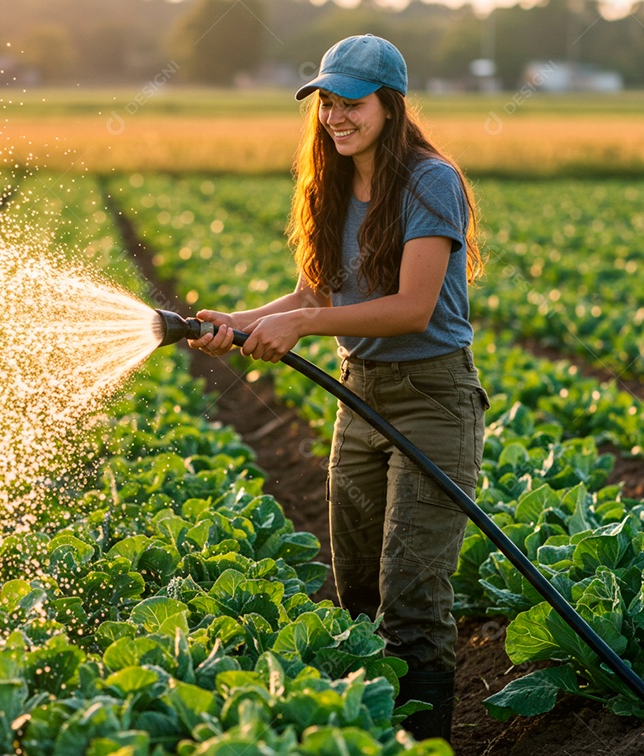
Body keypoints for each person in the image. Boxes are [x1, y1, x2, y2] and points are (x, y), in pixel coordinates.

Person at [190, 34, 487, 744]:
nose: (335, 116)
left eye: (350, 102)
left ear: (390, 104)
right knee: (357, 595)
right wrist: (240, 321)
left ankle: (427, 744)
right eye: (326, 101)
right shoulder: (329, 179)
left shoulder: (429, 181)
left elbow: (412, 307)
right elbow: (312, 292)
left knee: (413, 603)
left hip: (432, 398)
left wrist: (302, 325)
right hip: (361, 397)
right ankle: (375, 735)